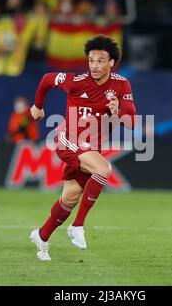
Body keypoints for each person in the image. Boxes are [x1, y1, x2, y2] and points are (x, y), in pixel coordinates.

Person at [29, 35, 137, 261]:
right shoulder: (76, 80)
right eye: (91, 60)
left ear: (111, 63)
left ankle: (42, 235)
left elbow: (131, 121)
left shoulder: (121, 84)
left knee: (70, 198)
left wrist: (118, 111)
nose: (94, 66)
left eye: (100, 61)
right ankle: (78, 226)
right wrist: (38, 107)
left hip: (90, 147)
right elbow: (47, 79)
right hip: (67, 139)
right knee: (103, 169)